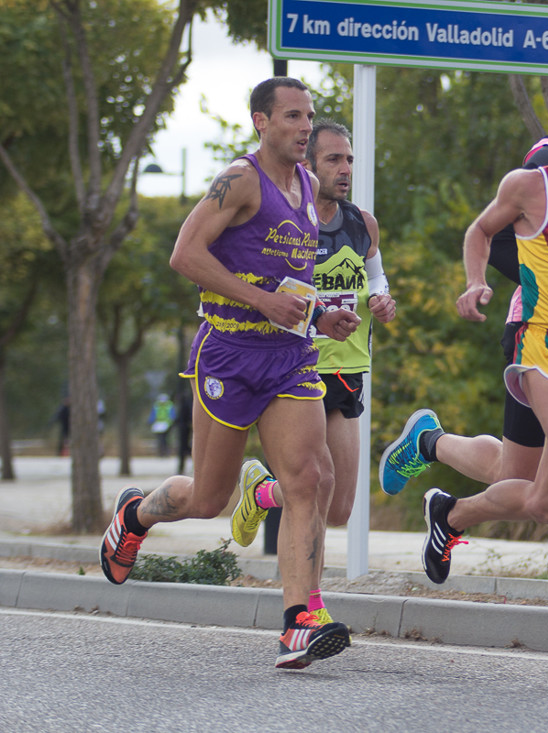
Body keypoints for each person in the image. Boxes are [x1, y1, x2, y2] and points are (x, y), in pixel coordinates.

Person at [379, 47, 548, 655]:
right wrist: (508, 281)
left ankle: (439, 479)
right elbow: (492, 231)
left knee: (541, 498)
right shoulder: (546, 165)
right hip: (540, 337)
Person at [99, 77, 362, 670]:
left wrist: (322, 314)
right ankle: (136, 514)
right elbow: (185, 255)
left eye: (309, 117)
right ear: (261, 122)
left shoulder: (307, 186)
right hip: (230, 356)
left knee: (310, 476)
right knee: (209, 497)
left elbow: (286, 276)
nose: (304, 127)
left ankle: (299, 621)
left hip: (290, 357)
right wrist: (262, 302)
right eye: (292, 116)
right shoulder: (240, 180)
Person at [230, 119, 397, 625]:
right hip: (294, 366)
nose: (345, 169)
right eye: (333, 160)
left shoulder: (360, 222)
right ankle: (311, 608)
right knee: (313, 489)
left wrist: (381, 299)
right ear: (307, 165)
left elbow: (374, 275)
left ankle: (263, 492)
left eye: (349, 159)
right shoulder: (287, 224)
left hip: (347, 367)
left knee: (341, 505)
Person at [148, 393, 176, 457]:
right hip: (159, 424)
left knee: (164, 439)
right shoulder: (157, 405)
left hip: (166, 425)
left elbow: (172, 415)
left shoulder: (168, 405)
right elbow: (153, 415)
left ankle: (165, 452)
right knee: (161, 439)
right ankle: (161, 452)